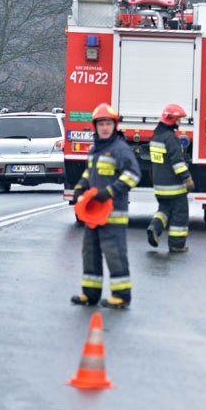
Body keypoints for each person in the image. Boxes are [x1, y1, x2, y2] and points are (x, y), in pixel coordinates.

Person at [71, 103, 141, 309]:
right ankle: (90, 294)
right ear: (95, 126)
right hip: (93, 214)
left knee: (114, 253)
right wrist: (79, 188)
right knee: (89, 252)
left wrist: (109, 192)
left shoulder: (120, 149)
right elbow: (88, 174)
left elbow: (133, 175)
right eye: (101, 124)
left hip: (113, 213)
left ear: (114, 126)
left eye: (108, 124)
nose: (104, 127)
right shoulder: (94, 150)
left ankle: (121, 295)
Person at [146, 103, 194, 253]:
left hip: (159, 186)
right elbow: (177, 162)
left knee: (164, 210)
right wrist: (187, 179)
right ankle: (177, 245)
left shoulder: (156, 137)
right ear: (171, 119)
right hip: (174, 187)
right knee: (180, 214)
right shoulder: (170, 138)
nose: (179, 123)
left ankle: (154, 227)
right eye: (178, 119)